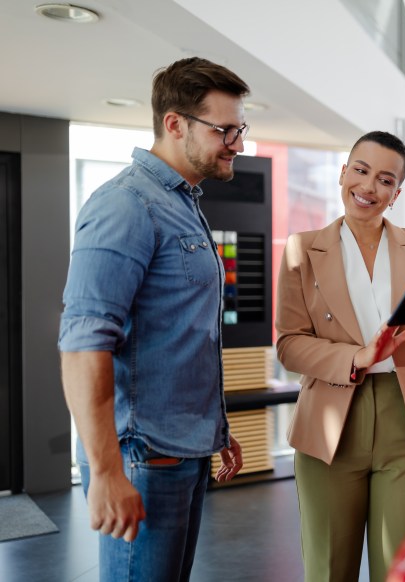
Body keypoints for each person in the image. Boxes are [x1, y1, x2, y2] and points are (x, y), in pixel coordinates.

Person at [58, 57, 249, 581]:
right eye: (224, 129)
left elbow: (183, 336)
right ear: (175, 124)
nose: (237, 141)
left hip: (181, 450)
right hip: (142, 459)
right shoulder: (126, 205)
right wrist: (105, 472)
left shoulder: (184, 205)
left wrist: (216, 427)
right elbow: (82, 346)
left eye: (239, 128)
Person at [275, 130, 405, 581]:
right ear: (343, 173)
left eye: (385, 180)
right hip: (331, 422)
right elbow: (289, 343)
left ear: (397, 193)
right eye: (361, 172)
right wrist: (357, 356)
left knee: (403, 569)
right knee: (330, 569)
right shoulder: (302, 250)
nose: (368, 187)